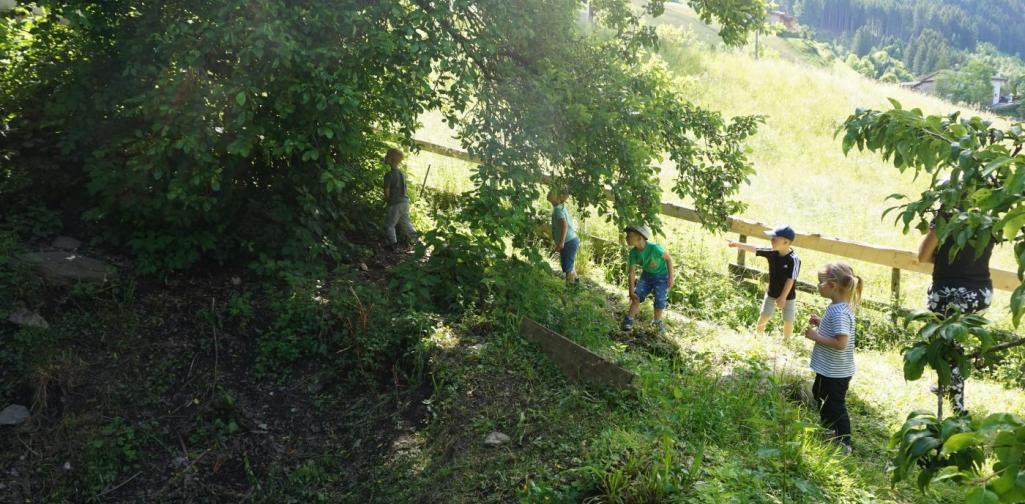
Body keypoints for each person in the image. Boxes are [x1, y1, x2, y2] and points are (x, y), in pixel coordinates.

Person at [917, 215, 994, 417]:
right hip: (981, 292)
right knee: (957, 344)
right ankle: (949, 387)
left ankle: (957, 405)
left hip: (949, 291)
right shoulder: (989, 215)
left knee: (947, 347)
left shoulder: (946, 216)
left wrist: (946, 261)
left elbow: (923, 255)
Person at [804, 262, 862, 454]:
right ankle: (829, 430)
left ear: (833, 285)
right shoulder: (838, 307)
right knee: (819, 393)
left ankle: (844, 441)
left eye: (820, 282)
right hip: (830, 368)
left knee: (835, 404)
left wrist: (815, 337)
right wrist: (821, 322)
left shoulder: (839, 312)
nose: (818, 286)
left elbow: (841, 343)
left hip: (836, 372)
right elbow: (837, 329)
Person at [728, 225, 801, 341]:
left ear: (786, 242)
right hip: (772, 292)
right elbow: (755, 248)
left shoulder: (794, 259)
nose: (771, 240)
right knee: (764, 315)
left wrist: (783, 297)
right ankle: (758, 338)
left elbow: (791, 279)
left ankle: (787, 341)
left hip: (788, 296)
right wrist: (737, 244)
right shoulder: (771, 252)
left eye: (774, 239)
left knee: (788, 320)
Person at [621, 224, 674, 334]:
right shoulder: (633, 253)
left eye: (629, 236)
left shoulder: (654, 248)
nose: (626, 238)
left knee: (660, 299)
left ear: (639, 238)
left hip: (661, 276)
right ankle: (629, 320)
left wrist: (670, 277)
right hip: (646, 276)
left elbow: (669, 259)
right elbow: (631, 273)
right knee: (637, 295)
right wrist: (631, 292)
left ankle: (657, 321)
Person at [382, 148, 418, 250]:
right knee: (406, 224)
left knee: (389, 225)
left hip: (395, 203)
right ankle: (419, 243)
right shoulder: (402, 173)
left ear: (392, 159)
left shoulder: (389, 175)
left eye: (387, 156)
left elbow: (387, 191)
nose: (385, 158)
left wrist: (387, 200)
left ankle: (393, 245)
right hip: (405, 202)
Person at [548, 189, 579, 285]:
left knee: (567, 268)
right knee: (569, 265)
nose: (549, 193)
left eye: (552, 192)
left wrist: (561, 242)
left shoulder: (558, 210)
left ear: (559, 197)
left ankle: (570, 288)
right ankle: (575, 285)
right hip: (571, 240)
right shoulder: (560, 207)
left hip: (568, 242)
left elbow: (564, 225)